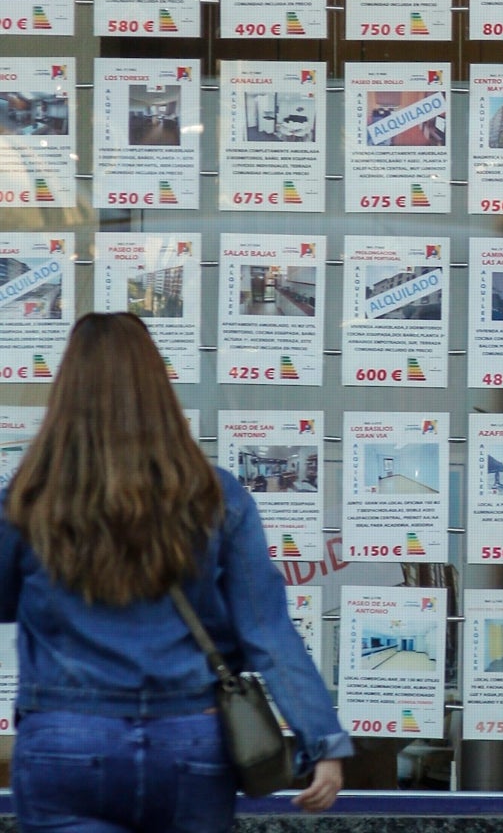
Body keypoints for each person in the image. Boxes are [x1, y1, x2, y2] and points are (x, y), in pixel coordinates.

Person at [0, 313, 352, 831]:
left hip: (66, 736)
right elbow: (266, 630)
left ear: (67, 389)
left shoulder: (28, 497)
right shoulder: (216, 496)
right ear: (158, 385)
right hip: (189, 739)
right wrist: (322, 739)